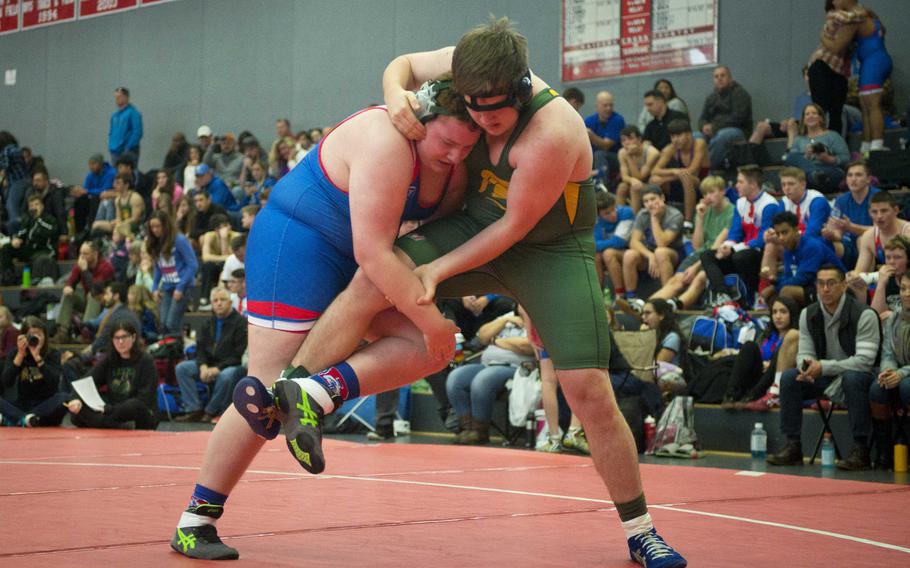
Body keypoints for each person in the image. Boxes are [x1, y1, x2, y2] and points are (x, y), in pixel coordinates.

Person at [243, 18, 685, 566]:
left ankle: (641, 530)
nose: (480, 121)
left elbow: (512, 231)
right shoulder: (468, 61)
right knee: (375, 276)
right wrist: (394, 96)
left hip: (546, 247)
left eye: (493, 113)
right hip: (474, 220)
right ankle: (297, 393)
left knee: (587, 387)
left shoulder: (554, 130)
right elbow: (402, 64)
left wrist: (431, 273)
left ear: (521, 89)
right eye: (471, 108)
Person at [169, 79, 481, 559]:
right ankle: (196, 519)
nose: (456, 155)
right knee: (265, 393)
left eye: (468, 144)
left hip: (359, 262)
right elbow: (373, 253)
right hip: (299, 241)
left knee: (432, 349)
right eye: (446, 142)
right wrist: (432, 317)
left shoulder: (455, 170)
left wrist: (435, 326)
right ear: (417, 120)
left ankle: (316, 392)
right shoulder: (386, 141)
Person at [766, 264, 879, 471]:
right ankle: (793, 446)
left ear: (844, 285)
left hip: (861, 376)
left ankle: (861, 449)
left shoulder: (864, 314)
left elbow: (865, 361)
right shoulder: (808, 314)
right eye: (821, 284)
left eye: (831, 283)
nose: (825, 289)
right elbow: (805, 353)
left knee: (853, 379)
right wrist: (806, 367)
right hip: (826, 375)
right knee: (790, 378)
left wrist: (822, 367)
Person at [449, 309, 534, 445]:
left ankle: (480, 431)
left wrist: (495, 341)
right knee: (456, 378)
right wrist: (504, 321)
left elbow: (527, 345)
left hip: (516, 368)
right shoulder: (508, 317)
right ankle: (467, 429)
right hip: (488, 364)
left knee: (483, 379)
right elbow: (483, 336)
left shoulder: (537, 320)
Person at [648, 176, 733, 311]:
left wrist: (695, 267)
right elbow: (697, 246)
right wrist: (699, 218)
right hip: (700, 253)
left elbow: (715, 248)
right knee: (676, 281)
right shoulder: (706, 211)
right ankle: (648, 307)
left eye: (712, 192)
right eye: (705, 194)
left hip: (717, 256)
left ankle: (671, 308)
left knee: (699, 278)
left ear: (723, 191)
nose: (708, 197)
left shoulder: (732, 212)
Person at [699, 165, 778, 305]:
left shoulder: (769, 204)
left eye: (740, 182)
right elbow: (735, 232)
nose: (736, 186)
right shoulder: (740, 203)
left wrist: (735, 249)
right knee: (707, 255)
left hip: (759, 253)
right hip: (740, 251)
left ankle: (753, 295)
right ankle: (722, 295)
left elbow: (762, 240)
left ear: (753, 184)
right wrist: (726, 246)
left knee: (740, 257)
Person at [64, 320, 158, 430]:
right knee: (76, 413)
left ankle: (105, 423)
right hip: (112, 412)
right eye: (116, 338)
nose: (121, 342)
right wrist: (75, 399)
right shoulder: (109, 360)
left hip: (137, 412)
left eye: (124, 337)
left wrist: (109, 410)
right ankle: (118, 426)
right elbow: (86, 381)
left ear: (133, 337)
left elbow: (145, 398)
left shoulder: (146, 360)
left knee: (134, 405)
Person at [174, 287, 247, 424]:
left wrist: (217, 368)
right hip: (209, 364)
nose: (219, 303)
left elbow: (238, 355)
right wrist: (203, 366)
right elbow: (200, 349)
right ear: (212, 304)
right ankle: (193, 409)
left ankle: (211, 410)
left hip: (231, 365)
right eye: (215, 300)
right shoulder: (207, 323)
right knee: (182, 368)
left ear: (230, 303)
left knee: (226, 376)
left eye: (223, 300)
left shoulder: (240, 323)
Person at [828, 1, 892, 152]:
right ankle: (867, 145)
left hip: (874, 61)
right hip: (873, 60)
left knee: (872, 104)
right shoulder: (866, 13)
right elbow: (881, 30)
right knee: (864, 105)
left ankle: (877, 144)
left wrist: (822, 37)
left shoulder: (856, 18)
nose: (834, 2)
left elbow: (836, 46)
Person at [721, 297, 801, 411]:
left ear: (792, 314)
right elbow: (754, 355)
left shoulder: (796, 337)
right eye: (774, 312)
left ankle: (754, 396)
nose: (778, 316)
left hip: (775, 382)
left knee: (778, 354)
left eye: (783, 312)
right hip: (758, 375)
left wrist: (773, 364)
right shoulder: (766, 335)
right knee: (749, 346)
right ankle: (730, 395)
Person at [759, 167, 831, 290]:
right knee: (771, 244)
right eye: (783, 184)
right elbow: (776, 227)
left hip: (821, 243)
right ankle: (765, 286)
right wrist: (770, 234)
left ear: (803, 184)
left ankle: (778, 286)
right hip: (795, 243)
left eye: (791, 184)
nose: (787, 188)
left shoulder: (817, 200)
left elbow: (812, 232)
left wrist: (782, 238)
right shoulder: (784, 202)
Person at [760, 211, 845, 307]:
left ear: (796, 230)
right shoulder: (788, 247)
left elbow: (802, 279)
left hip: (833, 287)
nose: (781, 238)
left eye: (784, 232)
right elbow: (789, 276)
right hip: (813, 286)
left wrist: (775, 286)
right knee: (770, 296)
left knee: (787, 292)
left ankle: (797, 321)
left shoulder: (811, 246)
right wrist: (774, 281)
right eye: (778, 234)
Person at [870, 272, 910, 469]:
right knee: (877, 388)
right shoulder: (894, 318)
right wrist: (887, 371)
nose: (907, 293)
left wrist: (900, 374)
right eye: (903, 288)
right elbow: (887, 353)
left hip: (905, 377)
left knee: (906, 387)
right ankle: (884, 450)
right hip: (899, 373)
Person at [621, 186, 684, 304]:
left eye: (653, 199)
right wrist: (650, 256)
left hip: (672, 254)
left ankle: (667, 298)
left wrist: (654, 218)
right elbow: (633, 242)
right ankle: (631, 298)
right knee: (629, 254)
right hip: (651, 254)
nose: (650, 204)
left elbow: (662, 243)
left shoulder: (675, 215)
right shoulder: (643, 214)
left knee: (660, 252)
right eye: (646, 201)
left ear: (662, 198)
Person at [0, 317, 67, 427]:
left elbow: (54, 383)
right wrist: (20, 355)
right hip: (22, 404)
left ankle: (17, 420)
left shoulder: (53, 354)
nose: (36, 338)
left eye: (39, 335)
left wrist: (37, 357)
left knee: (64, 397)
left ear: (45, 336)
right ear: (24, 336)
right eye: (31, 335)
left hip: (45, 405)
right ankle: (28, 420)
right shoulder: (16, 354)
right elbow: (7, 382)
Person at [52, 241, 115, 344]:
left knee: (92, 295)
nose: (82, 257)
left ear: (95, 254)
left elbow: (96, 290)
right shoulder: (80, 264)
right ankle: (62, 332)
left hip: (104, 305)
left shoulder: (106, 267)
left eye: (85, 254)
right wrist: (69, 286)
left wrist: (85, 270)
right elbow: (71, 281)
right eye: (80, 253)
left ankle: (86, 333)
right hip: (88, 303)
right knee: (68, 294)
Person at [146, 210, 197, 336]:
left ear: (165, 225)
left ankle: (175, 352)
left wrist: (180, 287)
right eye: (152, 227)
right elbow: (158, 266)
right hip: (167, 286)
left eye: (158, 226)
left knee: (172, 323)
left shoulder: (179, 240)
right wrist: (154, 287)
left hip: (183, 286)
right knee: (163, 323)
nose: (155, 230)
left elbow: (193, 264)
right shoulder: (156, 242)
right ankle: (168, 350)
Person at [649, 119, 709, 223]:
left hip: (702, 182)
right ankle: (657, 215)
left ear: (689, 135)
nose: (675, 140)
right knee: (654, 180)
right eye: (672, 136)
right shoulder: (671, 148)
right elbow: (655, 170)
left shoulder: (699, 143)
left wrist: (669, 177)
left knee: (686, 178)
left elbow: (692, 169)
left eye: (678, 135)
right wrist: (674, 171)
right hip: (680, 182)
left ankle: (688, 221)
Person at [783, 103, 850, 193]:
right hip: (805, 175)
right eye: (807, 114)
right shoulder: (799, 139)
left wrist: (829, 159)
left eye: (814, 113)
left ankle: (815, 175)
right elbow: (791, 160)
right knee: (791, 157)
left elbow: (846, 158)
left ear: (821, 118)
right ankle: (814, 174)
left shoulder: (832, 135)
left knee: (823, 175)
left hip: (828, 170)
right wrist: (806, 157)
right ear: (804, 120)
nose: (810, 116)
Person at [823, 160, 879, 268]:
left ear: (868, 179)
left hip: (875, 243)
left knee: (862, 240)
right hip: (849, 244)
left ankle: (865, 282)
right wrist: (831, 234)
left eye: (858, 175)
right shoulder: (841, 200)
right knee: (825, 245)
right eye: (850, 175)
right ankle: (837, 280)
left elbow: (880, 230)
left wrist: (851, 227)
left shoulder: (878, 197)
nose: (853, 179)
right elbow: (838, 233)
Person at [808, 2, 853, 136]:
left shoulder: (849, 19)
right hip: (824, 66)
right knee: (821, 111)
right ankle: (820, 144)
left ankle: (834, 146)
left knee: (836, 112)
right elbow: (836, 46)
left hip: (838, 71)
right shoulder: (835, 16)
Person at [697, 66, 753, 169]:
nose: (719, 78)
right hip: (714, 130)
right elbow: (702, 118)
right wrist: (704, 127)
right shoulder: (711, 97)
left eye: (723, 75)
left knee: (721, 137)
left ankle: (707, 171)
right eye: (716, 76)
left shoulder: (740, 93)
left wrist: (714, 127)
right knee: (695, 137)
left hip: (739, 131)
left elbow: (738, 118)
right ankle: (693, 170)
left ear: (730, 78)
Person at [0, 194, 58, 285]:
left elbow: (51, 232)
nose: (33, 208)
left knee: (37, 259)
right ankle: (8, 277)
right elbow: (22, 233)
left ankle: (33, 281)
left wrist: (38, 219)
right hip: (29, 249)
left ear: (42, 206)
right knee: (7, 248)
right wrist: (16, 239)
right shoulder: (27, 219)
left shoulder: (50, 219)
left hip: (44, 250)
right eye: (31, 206)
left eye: (36, 205)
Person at [639, 299, 687, 399]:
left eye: (648, 313)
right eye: (643, 313)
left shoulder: (672, 337)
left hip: (667, 382)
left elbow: (657, 367)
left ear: (661, 315)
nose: (643, 317)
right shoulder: (654, 335)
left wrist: (644, 338)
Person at [595, 191, 635, 294]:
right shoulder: (596, 221)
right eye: (607, 213)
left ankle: (619, 294)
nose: (613, 215)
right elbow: (593, 246)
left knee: (608, 253)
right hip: (613, 253)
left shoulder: (626, 212)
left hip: (632, 252)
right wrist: (600, 245)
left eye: (613, 209)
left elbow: (620, 242)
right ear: (599, 215)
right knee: (596, 256)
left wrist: (600, 244)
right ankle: (598, 295)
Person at [198, 214, 240, 311]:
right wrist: (223, 257)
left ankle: (221, 297)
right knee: (208, 266)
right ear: (216, 229)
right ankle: (204, 299)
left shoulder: (235, 236)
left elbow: (230, 260)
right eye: (224, 226)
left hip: (228, 268)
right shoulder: (209, 236)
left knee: (223, 265)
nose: (228, 228)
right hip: (214, 267)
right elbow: (205, 257)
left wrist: (223, 240)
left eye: (228, 225)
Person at [615, 126, 660, 213]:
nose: (627, 143)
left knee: (635, 187)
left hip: (651, 184)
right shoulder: (622, 152)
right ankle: (620, 216)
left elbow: (640, 177)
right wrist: (631, 180)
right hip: (636, 183)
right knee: (622, 187)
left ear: (639, 139)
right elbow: (624, 176)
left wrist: (629, 157)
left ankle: (634, 219)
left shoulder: (652, 153)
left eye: (630, 139)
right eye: (623, 140)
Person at [70, 154, 116, 235]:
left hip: (106, 197)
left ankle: (91, 226)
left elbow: (105, 190)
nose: (91, 167)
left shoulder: (111, 173)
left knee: (94, 198)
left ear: (100, 164)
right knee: (80, 199)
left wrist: (88, 191)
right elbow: (85, 189)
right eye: (90, 164)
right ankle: (79, 230)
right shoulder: (90, 174)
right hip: (93, 196)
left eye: (93, 164)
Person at [584, 90, 625, 180]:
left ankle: (602, 185)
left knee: (600, 154)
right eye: (605, 105)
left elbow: (606, 146)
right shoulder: (589, 121)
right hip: (593, 158)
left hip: (615, 158)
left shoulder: (617, 120)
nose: (608, 108)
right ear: (597, 106)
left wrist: (591, 135)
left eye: (611, 105)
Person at [91, 172, 145, 237]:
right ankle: (97, 244)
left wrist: (119, 224)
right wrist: (114, 222)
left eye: (118, 183)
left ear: (126, 185)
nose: (114, 185)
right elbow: (119, 218)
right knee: (96, 224)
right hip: (122, 225)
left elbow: (135, 219)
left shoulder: (135, 198)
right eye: (114, 183)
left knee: (118, 228)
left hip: (135, 227)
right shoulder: (118, 199)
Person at [868, 236, 909, 319]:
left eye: (897, 257)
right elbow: (875, 316)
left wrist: (896, 316)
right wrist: (881, 283)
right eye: (888, 257)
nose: (891, 262)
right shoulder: (886, 278)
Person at [108, 87, 143, 163]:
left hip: (128, 152)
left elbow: (137, 133)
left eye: (119, 97)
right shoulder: (114, 116)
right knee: (116, 175)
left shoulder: (133, 113)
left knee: (129, 174)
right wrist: (111, 146)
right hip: (114, 152)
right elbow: (111, 133)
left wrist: (128, 148)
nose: (116, 99)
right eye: (115, 97)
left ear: (126, 97)